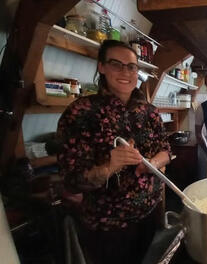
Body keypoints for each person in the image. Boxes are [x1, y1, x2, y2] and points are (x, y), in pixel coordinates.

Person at [56, 40, 171, 264]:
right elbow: (70, 181)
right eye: (116, 64)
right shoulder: (80, 113)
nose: (125, 72)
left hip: (149, 214)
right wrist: (110, 166)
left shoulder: (149, 111)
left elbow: (165, 149)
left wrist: (152, 163)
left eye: (131, 66)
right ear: (101, 66)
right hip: (107, 225)